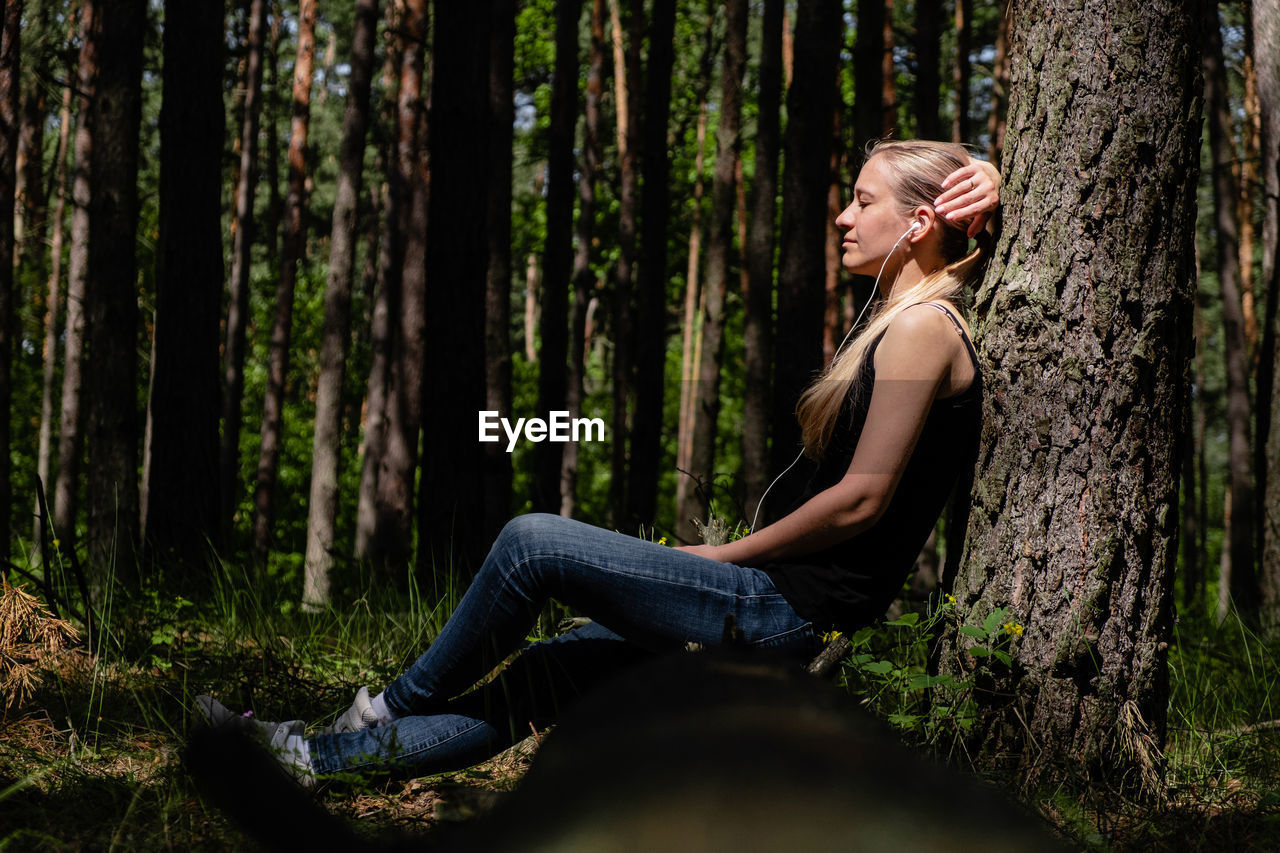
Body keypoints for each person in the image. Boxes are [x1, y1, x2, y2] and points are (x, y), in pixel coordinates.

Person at [197, 139, 1000, 786]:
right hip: (780, 603)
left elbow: (861, 498)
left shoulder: (923, 327)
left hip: (783, 610)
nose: (842, 217)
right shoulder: (908, 322)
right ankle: (310, 760)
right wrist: (991, 174)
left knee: (533, 542)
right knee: (548, 672)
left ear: (921, 221)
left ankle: (373, 714)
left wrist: (718, 556)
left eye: (863, 201)